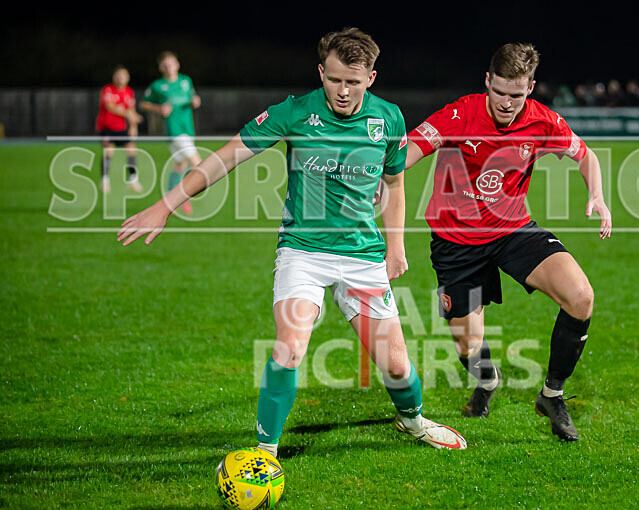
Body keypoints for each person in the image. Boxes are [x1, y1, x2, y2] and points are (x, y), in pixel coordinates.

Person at [117, 28, 467, 455]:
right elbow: (226, 157)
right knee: (289, 345)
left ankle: (413, 422)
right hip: (303, 251)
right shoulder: (294, 112)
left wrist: (396, 247)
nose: (342, 91)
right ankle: (265, 454)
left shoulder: (388, 119)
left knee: (394, 364)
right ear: (321, 71)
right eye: (334, 79)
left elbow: (394, 183)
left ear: (370, 79)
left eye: (353, 82)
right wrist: (165, 205)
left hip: (362, 255)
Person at [403, 43, 611, 441]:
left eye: (516, 94)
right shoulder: (462, 112)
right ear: (487, 81)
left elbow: (585, 155)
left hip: (513, 230)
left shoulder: (541, 120)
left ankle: (552, 395)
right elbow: (412, 147)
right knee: (469, 345)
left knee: (581, 296)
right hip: (456, 241)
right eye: (499, 92)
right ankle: (487, 380)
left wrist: (596, 195)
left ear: (530, 87)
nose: (506, 102)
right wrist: (383, 177)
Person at [140, 51, 202, 214]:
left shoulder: (185, 81)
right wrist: (158, 108)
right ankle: (183, 198)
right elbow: (144, 104)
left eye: (171, 64)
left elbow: (193, 97)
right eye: (165, 65)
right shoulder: (157, 86)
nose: (169, 67)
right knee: (198, 165)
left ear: (177, 64)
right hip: (174, 131)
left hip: (188, 129)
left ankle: (168, 198)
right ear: (161, 68)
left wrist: (195, 101)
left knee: (180, 165)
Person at [95, 66, 143, 194]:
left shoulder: (129, 91)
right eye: (118, 75)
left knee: (132, 149)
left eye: (123, 75)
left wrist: (134, 126)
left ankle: (133, 179)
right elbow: (110, 106)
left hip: (121, 128)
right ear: (114, 77)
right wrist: (128, 114)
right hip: (107, 127)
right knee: (109, 151)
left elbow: (131, 110)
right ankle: (105, 180)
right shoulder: (108, 89)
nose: (120, 78)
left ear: (128, 78)